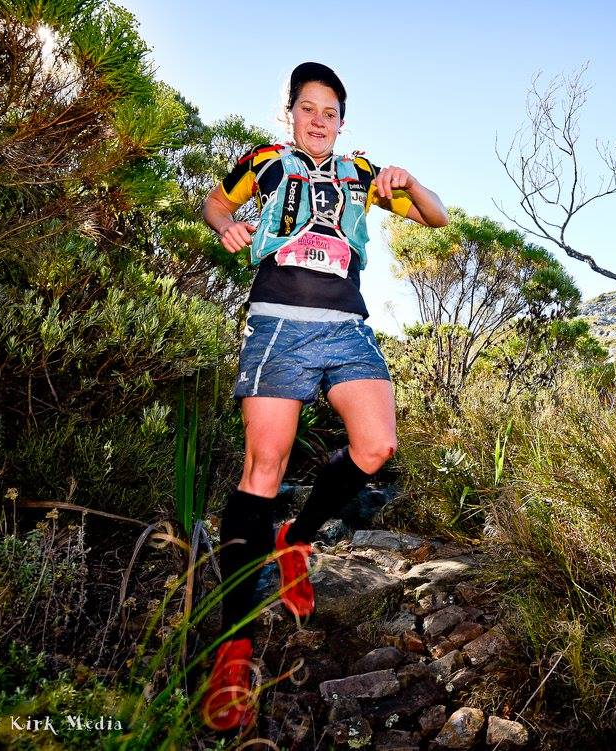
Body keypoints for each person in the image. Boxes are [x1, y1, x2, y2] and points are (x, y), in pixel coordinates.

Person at [198, 61, 448, 732]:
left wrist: (408, 181)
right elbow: (217, 201)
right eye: (306, 108)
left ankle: (297, 542)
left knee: (376, 446)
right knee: (264, 469)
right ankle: (235, 645)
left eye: (329, 111)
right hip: (278, 322)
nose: (317, 119)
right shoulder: (265, 161)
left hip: (345, 328)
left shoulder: (362, 174)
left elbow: (437, 217)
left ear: (341, 121)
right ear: (291, 114)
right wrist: (225, 224)